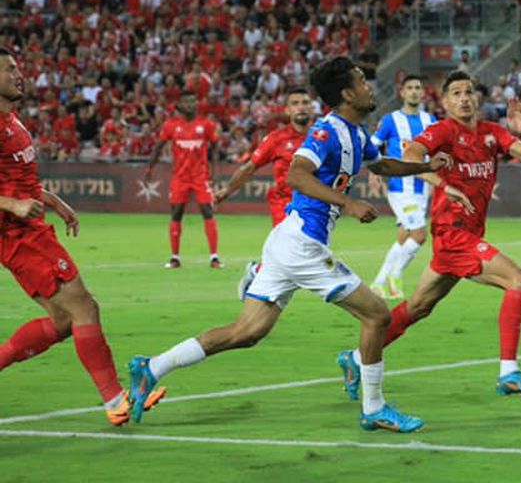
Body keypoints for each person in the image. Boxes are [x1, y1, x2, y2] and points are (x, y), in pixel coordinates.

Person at [127, 57, 450, 432]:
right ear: (347, 93)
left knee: (246, 332)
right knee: (377, 315)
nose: (369, 87)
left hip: (286, 239)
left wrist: (426, 166)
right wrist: (347, 203)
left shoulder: (357, 133)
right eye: (362, 81)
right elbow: (297, 174)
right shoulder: (327, 132)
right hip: (303, 245)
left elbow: (382, 165)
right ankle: (374, 408)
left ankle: (151, 367)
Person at [337, 70, 521, 398]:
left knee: (418, 307)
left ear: (477, 99)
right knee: (518, 280)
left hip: (464, 236)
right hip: (453, 234)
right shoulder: (443, 130)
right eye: (457, 93)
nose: (464, 98)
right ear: (446, 102)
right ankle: (509, 371)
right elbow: (412, 156)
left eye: (469, 92)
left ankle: (356, 358)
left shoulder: (492, 133)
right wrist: (444, 185)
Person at [0, 48, 165, 424]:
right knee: (84, 308)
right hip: (17, 235)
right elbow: (11, 194)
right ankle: (114, 401)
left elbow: (19, 181)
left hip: (31, 229)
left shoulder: (13, 121)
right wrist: (11, 206)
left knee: (62, 322)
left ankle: (114, 399)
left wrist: (52, 199)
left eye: (17, 67)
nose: (19, 74)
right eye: (9, 70)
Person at [368, 74, 436, 298]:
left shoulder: (430, 121)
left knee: (405, 235)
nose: (415, 91)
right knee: (419, 235)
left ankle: (378, 283)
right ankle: (395, 275)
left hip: (422, 188)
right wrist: (374, 172)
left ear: (422, 92)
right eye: (410, 88)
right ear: (402, 92)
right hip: (400, 187)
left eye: (418, 87)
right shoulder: (390, 120)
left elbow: (437, 151)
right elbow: (373, 146)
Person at [214, 88, 314, 228]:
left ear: (312, 108)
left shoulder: (323, 137)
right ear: (287, 110)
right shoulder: (276, 139)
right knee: (288, 246)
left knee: (313, 248)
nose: (301, 107)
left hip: (316, 205)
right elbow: (250, 168)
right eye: (295, 103)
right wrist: (227, 190)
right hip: (285, 205)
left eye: (305, 102)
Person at [143, 91, 221, 269]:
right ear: (180, 105)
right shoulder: (171, 125)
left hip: (200, 176)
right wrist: (149, 168)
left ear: (196, 104)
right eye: (186, 102)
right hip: (180, 177)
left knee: (208, 212)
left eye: (192, 102)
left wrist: (214, 172)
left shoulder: (206, 124)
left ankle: (214, 257)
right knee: (176, 213)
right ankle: (175, 257)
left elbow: (215, 147)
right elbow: (158, 147)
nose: (190, 105)